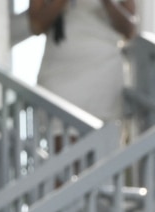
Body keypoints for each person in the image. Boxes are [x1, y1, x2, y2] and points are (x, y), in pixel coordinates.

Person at [28, 0, 136, 129]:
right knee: (59, 131)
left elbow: (129, 29)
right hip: (60, 70)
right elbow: (36, 26)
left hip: (103, 70)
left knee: (102, 138)